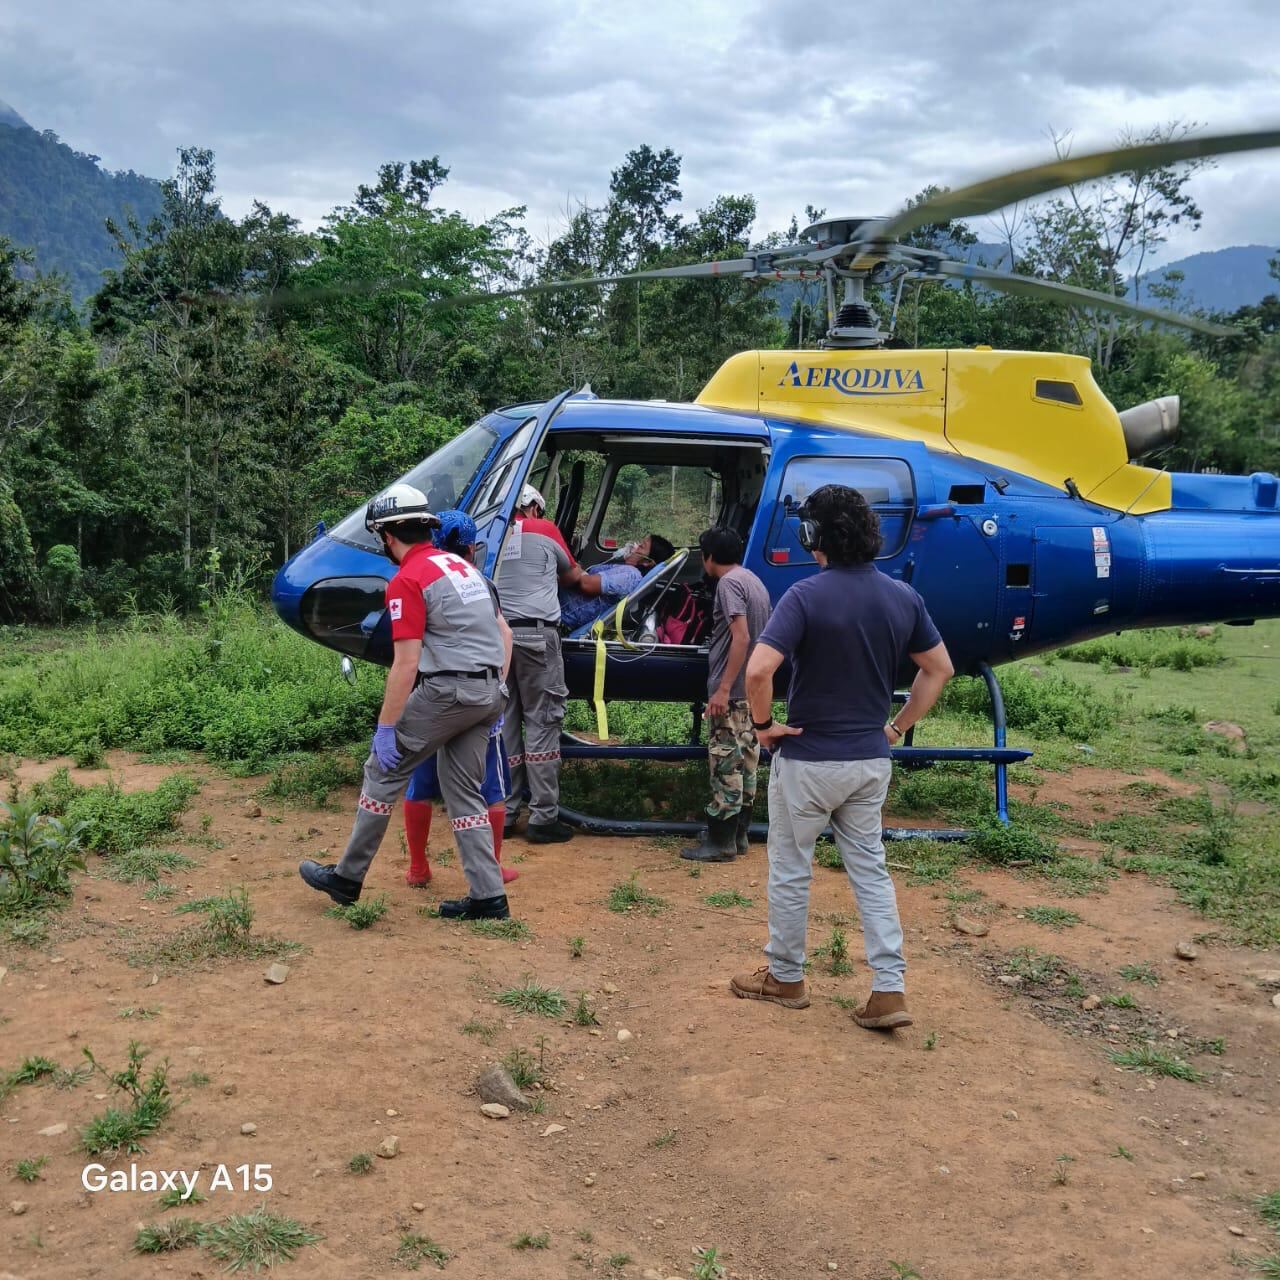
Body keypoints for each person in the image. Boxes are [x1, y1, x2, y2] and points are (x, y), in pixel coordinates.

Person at [730, 484, 954, 1029]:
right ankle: (888, 990)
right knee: (870, 872)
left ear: (814, 535)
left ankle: (785, 977)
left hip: (807, 759)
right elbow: (939, 668)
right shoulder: (904, 598)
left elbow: (758, 670)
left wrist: (762, 726)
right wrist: (897, 728)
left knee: (790, 869)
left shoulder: (805, 595)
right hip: (869, 761)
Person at [299, 483, 515, 921]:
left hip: (448, 691)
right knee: (464, 792)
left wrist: (385, 729)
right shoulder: (460, 566)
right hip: (489, 692)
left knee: (382, 770)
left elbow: (406, 663)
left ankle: (347, 877)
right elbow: (500, 631)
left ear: (388, 536)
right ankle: (488, 896)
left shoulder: (408, 580)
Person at [402, 510, 518, 889]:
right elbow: (506, 636)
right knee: (489, 787)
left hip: (433, 694)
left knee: (418, 780)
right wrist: (498, 687)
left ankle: (418, 867)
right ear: (471, 548)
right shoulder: (479, 581)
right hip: (477, 695)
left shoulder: (421, 578)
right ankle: (494, 867)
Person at [681, 527, 771, 862]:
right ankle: (740, 835)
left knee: (724, 763)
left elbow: (741, 637)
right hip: (751, 690)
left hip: (731, 692)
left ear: (708, 556)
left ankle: (720, 842)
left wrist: (721, 688)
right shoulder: (753, 580)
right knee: (747, 761)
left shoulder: (729, 584)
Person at [496, 484, 578, 843]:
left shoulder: (493, 531)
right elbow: (575, 577)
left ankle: (507, 812)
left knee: (508, 724)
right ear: (532, 508)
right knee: (543, 720)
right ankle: (544, 818)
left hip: (499, 639)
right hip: (536, 636)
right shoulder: (544, 529)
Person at [557, 533, 676, 632]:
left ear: (647, 562)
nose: (634, 546)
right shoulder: (627, 570)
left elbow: (586, 584)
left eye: (641, 546)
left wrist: (571, 565)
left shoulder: (631, 575)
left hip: (561, 615)